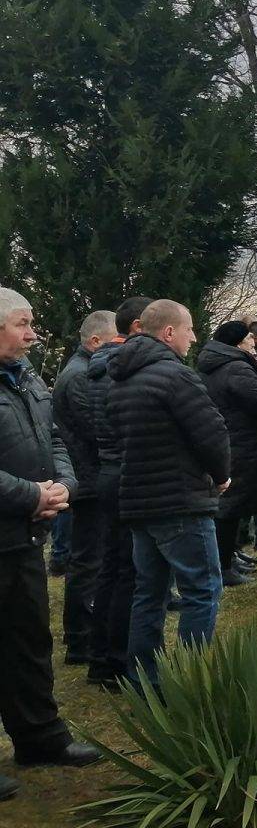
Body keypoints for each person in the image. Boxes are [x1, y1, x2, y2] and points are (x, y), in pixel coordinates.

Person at [0, 288, 104, 801]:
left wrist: (62, 487)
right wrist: (30, 495)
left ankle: (41, 738)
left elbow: (55, 437)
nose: (33, 333)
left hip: (23, 537)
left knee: (29, 640)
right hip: (11, 521)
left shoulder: (26, 377)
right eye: (23, 323)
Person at [110, 300, 231, 688]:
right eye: (190, 329)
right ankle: (189, 684)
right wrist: (222, 475)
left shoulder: (120, 377)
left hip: (139, 501)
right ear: (168, 333)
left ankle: (144, 681)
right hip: (179, 501)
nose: (194, 337)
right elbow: (211, 433)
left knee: (150, 593)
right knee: (202, 589)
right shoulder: (176, 376)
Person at [83, 295, 151, 690]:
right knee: (128, 570)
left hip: (110, 469)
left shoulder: (98, 368)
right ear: (138, 328)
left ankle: (102, 657)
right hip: (125, 470)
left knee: (113, 567)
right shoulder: (119, 370)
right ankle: (119, 659)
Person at [51, 309, 115, 663]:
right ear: (94, 341)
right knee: (87, 561)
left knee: (93, 558)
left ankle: (86, 632)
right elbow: (93, 429)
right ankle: (79, 639)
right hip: (87, 479)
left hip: (89, 475)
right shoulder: (78, 377)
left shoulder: (80, 371)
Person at [197, 322, 257, 586]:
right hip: (241, 441)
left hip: (233, 437)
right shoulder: (236, 366)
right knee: (231, 507)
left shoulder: (217, 362)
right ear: (239, 343)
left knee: (233, 506)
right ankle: (225, 565)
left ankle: (231, 555)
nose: (254, 341)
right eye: (250, 338)